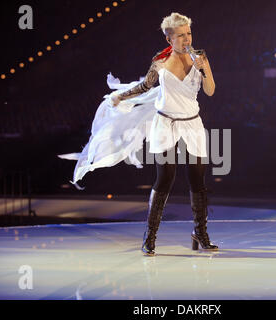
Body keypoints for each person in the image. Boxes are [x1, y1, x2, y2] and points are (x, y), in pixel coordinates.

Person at [59, 12, 218, 256]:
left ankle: (200, 232)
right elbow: (145, 86)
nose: (187, 39)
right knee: (165, 178)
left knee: (197, 179)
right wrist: (120, 96)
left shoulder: (200, 58)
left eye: (189, 33)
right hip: (166, 123)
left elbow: (210, 91)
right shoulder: (160, 62)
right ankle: (150, 235)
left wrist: (204, 69)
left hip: (192, 124)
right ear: (169, 39)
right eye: (181, 35)